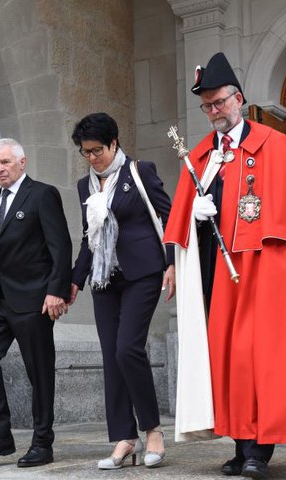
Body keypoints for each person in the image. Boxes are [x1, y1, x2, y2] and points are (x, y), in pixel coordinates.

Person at [163, 52, 286, 479]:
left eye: (220, 103)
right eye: (207, 106)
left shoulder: (274, 144)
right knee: (226, 361)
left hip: (263, 272)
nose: (214, 112)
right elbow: (181, 221)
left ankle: (257, 450)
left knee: (256, 359)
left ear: (239, 98)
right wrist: (195, 216)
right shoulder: (200, 157)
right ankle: (240, 442)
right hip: (216, 275)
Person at [70, 112, 175, 469]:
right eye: (85, 152)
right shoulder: (85, 186)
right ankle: (124, 438)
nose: (92, 157)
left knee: (129, 348)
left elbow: (169, 215)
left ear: (114, 143)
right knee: (112, 356)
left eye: (97, 149)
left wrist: (173, 263)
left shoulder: (138, 172)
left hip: (142, 272)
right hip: (104, 280)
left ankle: (153, 430)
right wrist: (73, 280)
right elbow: (88, 238)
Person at [0, 138, 72, 468]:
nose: (0, 169)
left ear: (22, 163)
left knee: (39, 372)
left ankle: (43, 443)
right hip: (0, 300)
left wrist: (56, 290)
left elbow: (60, 245)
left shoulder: (42, 194)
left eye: (5, 163)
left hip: (35, 299)